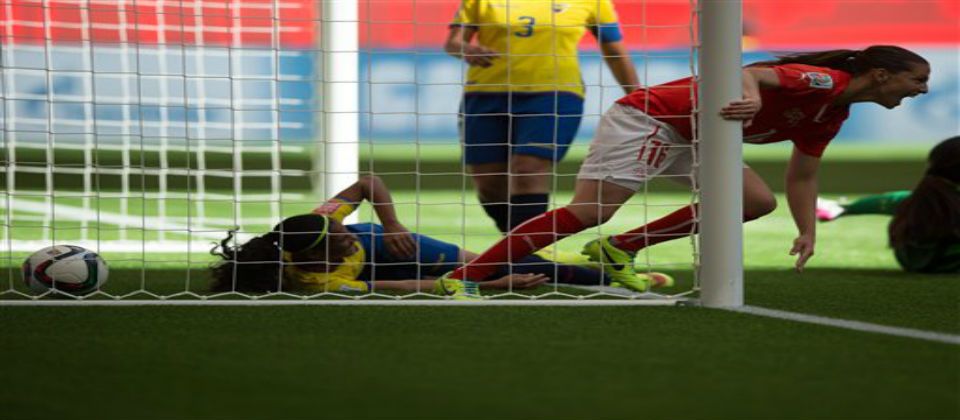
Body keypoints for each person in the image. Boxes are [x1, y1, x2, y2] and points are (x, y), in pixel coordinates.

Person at [438, 45, 930, 289]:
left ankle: (620, 249)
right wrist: (752, 96)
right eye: (917, 80)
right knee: (590, 211)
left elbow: (802, 176)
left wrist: (809, 231)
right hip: (652, 116)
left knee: (753, 201)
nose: (923, 90)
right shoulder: (824, 82)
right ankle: (466, 276)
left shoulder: (832, 114)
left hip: (697, 134)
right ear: (882, 74)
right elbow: (748, 71)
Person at [210, 175, 671, 299]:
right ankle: (593, 269)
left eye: (341, 230)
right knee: (495, 274)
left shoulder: (319, 220)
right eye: (338, 241)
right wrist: (486, 288)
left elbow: (368, 182)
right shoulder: (317, 283)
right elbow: (401, 287)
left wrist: (390, 225)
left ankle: (613, 275)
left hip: (392, 244)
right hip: (389, 270)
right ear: (317, 256)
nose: (344, 236)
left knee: (503, 262)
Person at [444, 0, 639, 234]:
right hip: (485, 93)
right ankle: (517, 249)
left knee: (528, 168)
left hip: (554, 94)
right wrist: (467, 49)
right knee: (488, 184)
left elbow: (615, 51)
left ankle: (527, 255)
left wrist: (637, 96)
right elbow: (453, 43)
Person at [816, 136, 959, 273]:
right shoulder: (935, 201)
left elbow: (886, 201)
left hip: (913, 262)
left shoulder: (918, 199)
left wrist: (846, 208)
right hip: (948, 262)